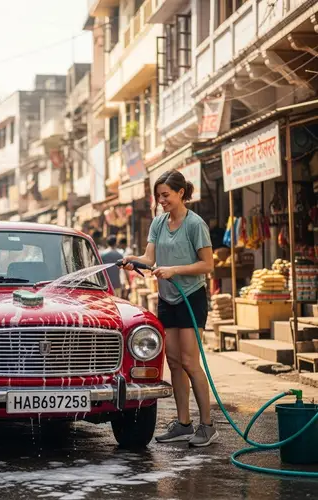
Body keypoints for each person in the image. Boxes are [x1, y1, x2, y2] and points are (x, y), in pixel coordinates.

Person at [122, 169, 217, 447]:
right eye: (158, 196)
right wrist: (133, 261)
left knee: (189, 362)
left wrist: (175, 270)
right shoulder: (159, 223)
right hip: (167, 299)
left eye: (166, 195)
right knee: (174, 363)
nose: (161, 200)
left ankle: (208, 426)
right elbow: (149, 258)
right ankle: (184, 424)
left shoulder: (194, 224)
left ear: (181, 193)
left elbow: (207, 265)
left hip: (191, 296)